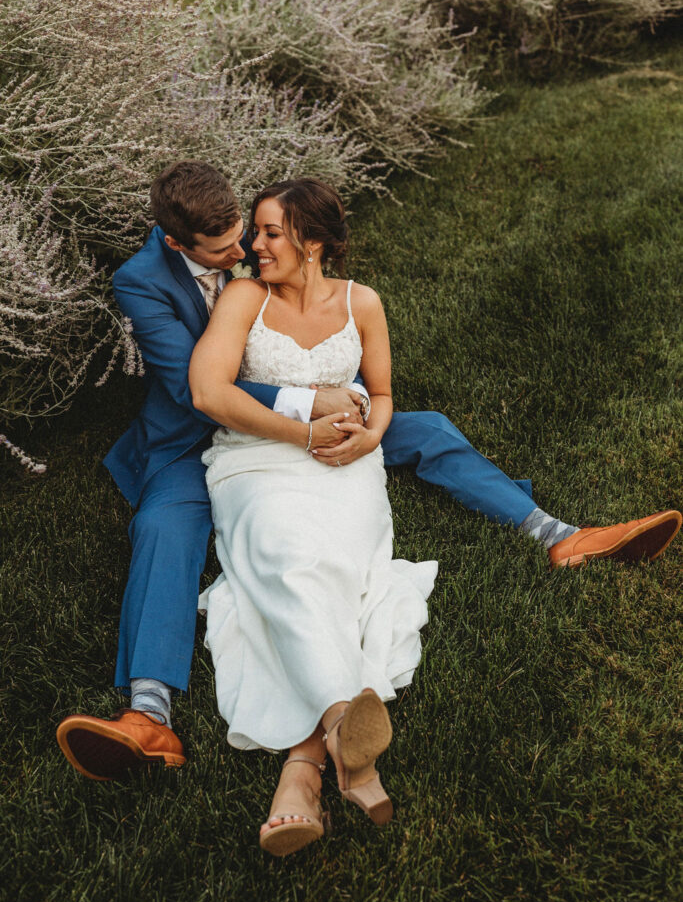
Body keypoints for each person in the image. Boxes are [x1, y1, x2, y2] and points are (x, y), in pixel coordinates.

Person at [56, 161, 680, 784]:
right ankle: (149, 712)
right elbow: (195, 386)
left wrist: (359, 416)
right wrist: (310, 402)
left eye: (250, 232)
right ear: (177, 244)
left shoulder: (270, 251)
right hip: (196, 436)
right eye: (227, 249)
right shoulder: (142, 280)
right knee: (165, 528)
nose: (247, 249)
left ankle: (557, 533)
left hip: (324, 410)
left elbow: (327, 324)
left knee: (427, 429)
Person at [189, 178, 437, 855]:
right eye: (258, 232)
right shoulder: (244, 297)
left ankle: (302, 773)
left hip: (348, 466)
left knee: (337, 566)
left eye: (271, 234)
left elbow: (381, 392)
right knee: (286, 557)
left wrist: (370, 437)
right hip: (256, 462)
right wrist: (301, 435)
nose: (252, 246)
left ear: (314, 241)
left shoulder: (363, 301)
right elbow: (207, 391)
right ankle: (342, 728)